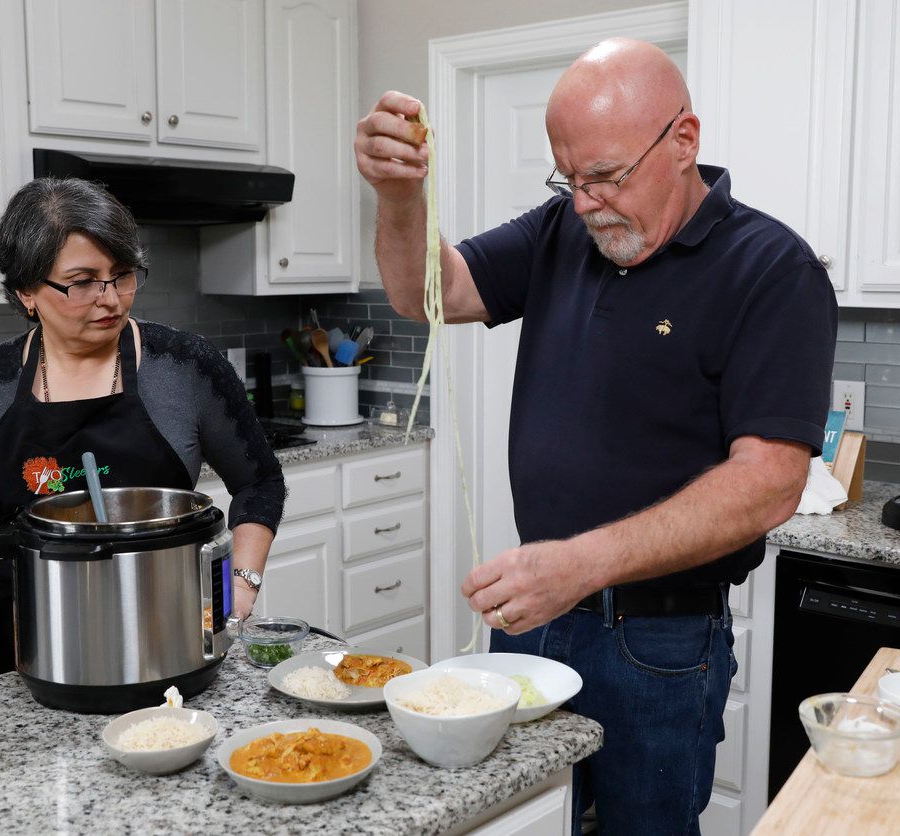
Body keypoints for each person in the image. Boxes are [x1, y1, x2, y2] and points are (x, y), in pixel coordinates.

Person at [355, 38, 837, 835]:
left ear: (683, 141)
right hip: (541, 616)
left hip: (661, 645)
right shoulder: (561, 232)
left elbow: (770, 482)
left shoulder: (771, 269)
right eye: (567, 179)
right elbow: (426, 294)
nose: (584, 203)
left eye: (606, 177)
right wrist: (399, 197)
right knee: (535, 823)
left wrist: (580, 563)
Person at [0, 177, 285, 701]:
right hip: (23, 666)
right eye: (82, 281)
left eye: (122, 275)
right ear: (26, 292)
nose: (111, 299)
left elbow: (261, 482)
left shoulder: (183, 369)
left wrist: (240, 587)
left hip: (168, 656)